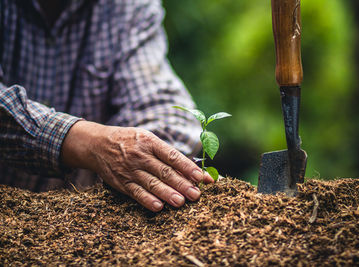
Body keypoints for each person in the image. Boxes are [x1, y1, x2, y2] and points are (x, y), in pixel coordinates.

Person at [0, 0, 213, 212]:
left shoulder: (127, 6)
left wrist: (155, 165)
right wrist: (90, 142)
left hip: (80, 226)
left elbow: (160, 102)